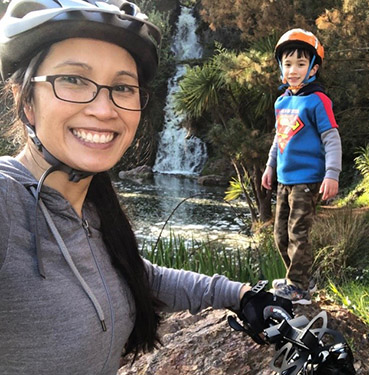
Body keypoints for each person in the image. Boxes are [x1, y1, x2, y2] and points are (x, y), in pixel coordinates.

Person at [0, 0, 292, 374]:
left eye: (123, 87)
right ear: (25, 100)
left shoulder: (92, 210)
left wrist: (238, 294)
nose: (104, 110)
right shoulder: (8, 202)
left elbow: (137, 275)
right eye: (73, 79)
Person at [261, 28, 342, 305]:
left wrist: (331, 174)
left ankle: (298, 286)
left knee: (298, 233)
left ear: (313, 68)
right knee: (279, 235)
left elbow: (331, 138)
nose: (293, 70)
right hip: (284, 179)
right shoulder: (282, 101)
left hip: (307, 180)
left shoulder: (318, 101)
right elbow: (279, 137)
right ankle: (296, 278)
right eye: (287, 64)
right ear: (280, 68)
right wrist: (270, 166)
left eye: (300, 64)